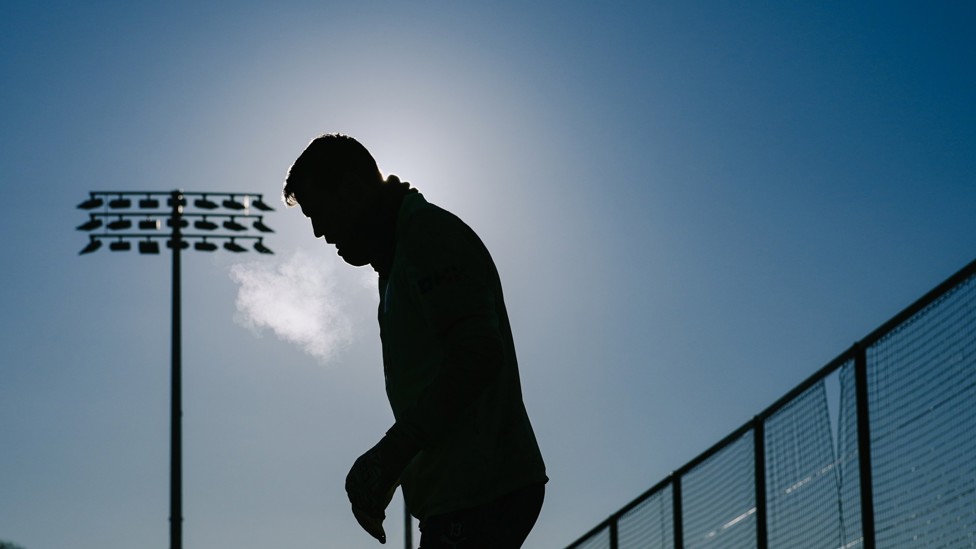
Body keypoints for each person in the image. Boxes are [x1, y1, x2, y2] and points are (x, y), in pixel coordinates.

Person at [283, 134, 548, 548]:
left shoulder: (427, 236)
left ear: (353, 189)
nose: (319, 232)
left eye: (320, 213)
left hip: (482, 492)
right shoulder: (396, 259)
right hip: (460, 496)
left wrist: (390, 455)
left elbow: (477, 354)